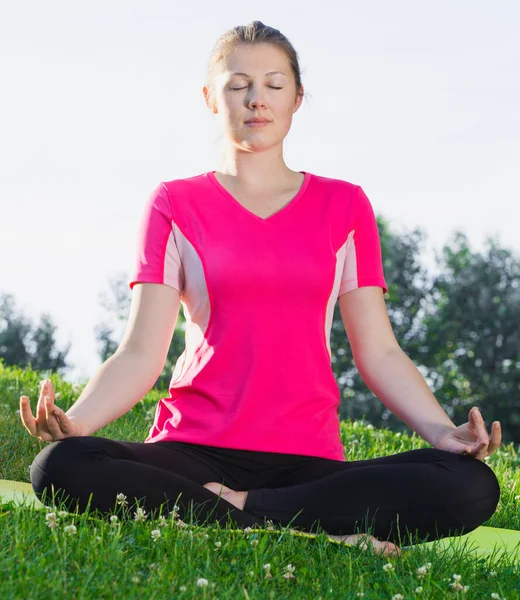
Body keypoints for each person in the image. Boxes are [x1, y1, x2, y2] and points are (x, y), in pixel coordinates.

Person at [23, 21, 502, 558]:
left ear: (298, 98)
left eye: (274, 85)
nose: (256, 99)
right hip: (193, 450)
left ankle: (244, 510)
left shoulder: (344, 206)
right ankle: (302, 528)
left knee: (470, 484)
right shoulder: (174, 203)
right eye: (237, 84)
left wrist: (441, 433)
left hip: (307, 462)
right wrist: (79, 421)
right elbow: (141, 351)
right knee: (60, 466)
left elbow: (380, 350)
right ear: (210, 98)